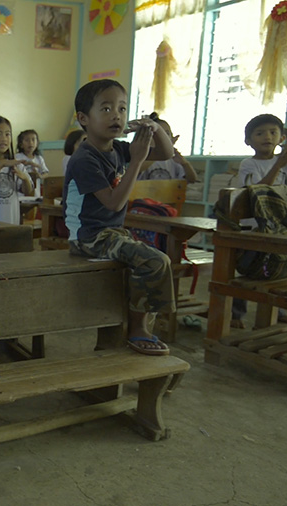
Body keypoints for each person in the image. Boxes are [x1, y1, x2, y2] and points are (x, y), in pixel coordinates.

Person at [64, 79, 176, 356]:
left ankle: (141, 323)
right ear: (83, 119)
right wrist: (136, 161)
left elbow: (166, 152)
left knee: (152, 258)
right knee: (155, 260)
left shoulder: (119, 149)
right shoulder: (84, 159)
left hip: (111, 234)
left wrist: (154, 127)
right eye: (106, 108)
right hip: (88, 238)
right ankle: (139, 329)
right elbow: (114, 204)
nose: (117, 115)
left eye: (122, 109)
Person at [229, 113, 287, 329]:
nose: (267, 137)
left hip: (282, 227)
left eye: (274, 132)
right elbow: (258, 190)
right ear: (248, 141)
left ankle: (277, 312)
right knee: (249, 269)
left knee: (279, 268)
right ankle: (236, 313)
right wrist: (279, 165)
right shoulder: (248, 164)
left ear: (281, 138)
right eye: (260, 133)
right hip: (254, 227)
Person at [137, 112, 198, 183]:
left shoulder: (173, 159)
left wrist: (185, 163)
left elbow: (192, 179)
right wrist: (160, 150)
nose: (164, 138)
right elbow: (137, 169)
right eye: (158, 134)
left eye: (167, 133)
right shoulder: (143, 156)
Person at [15, 129, 49, 197]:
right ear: (21, 144)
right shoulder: (17, 157)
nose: (31, 143)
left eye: (33, 140)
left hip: (35, 193)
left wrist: (40, 176)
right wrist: (28, 163)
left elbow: (46, 173)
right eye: (27, 140)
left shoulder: (39, 158)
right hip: (20, 193)